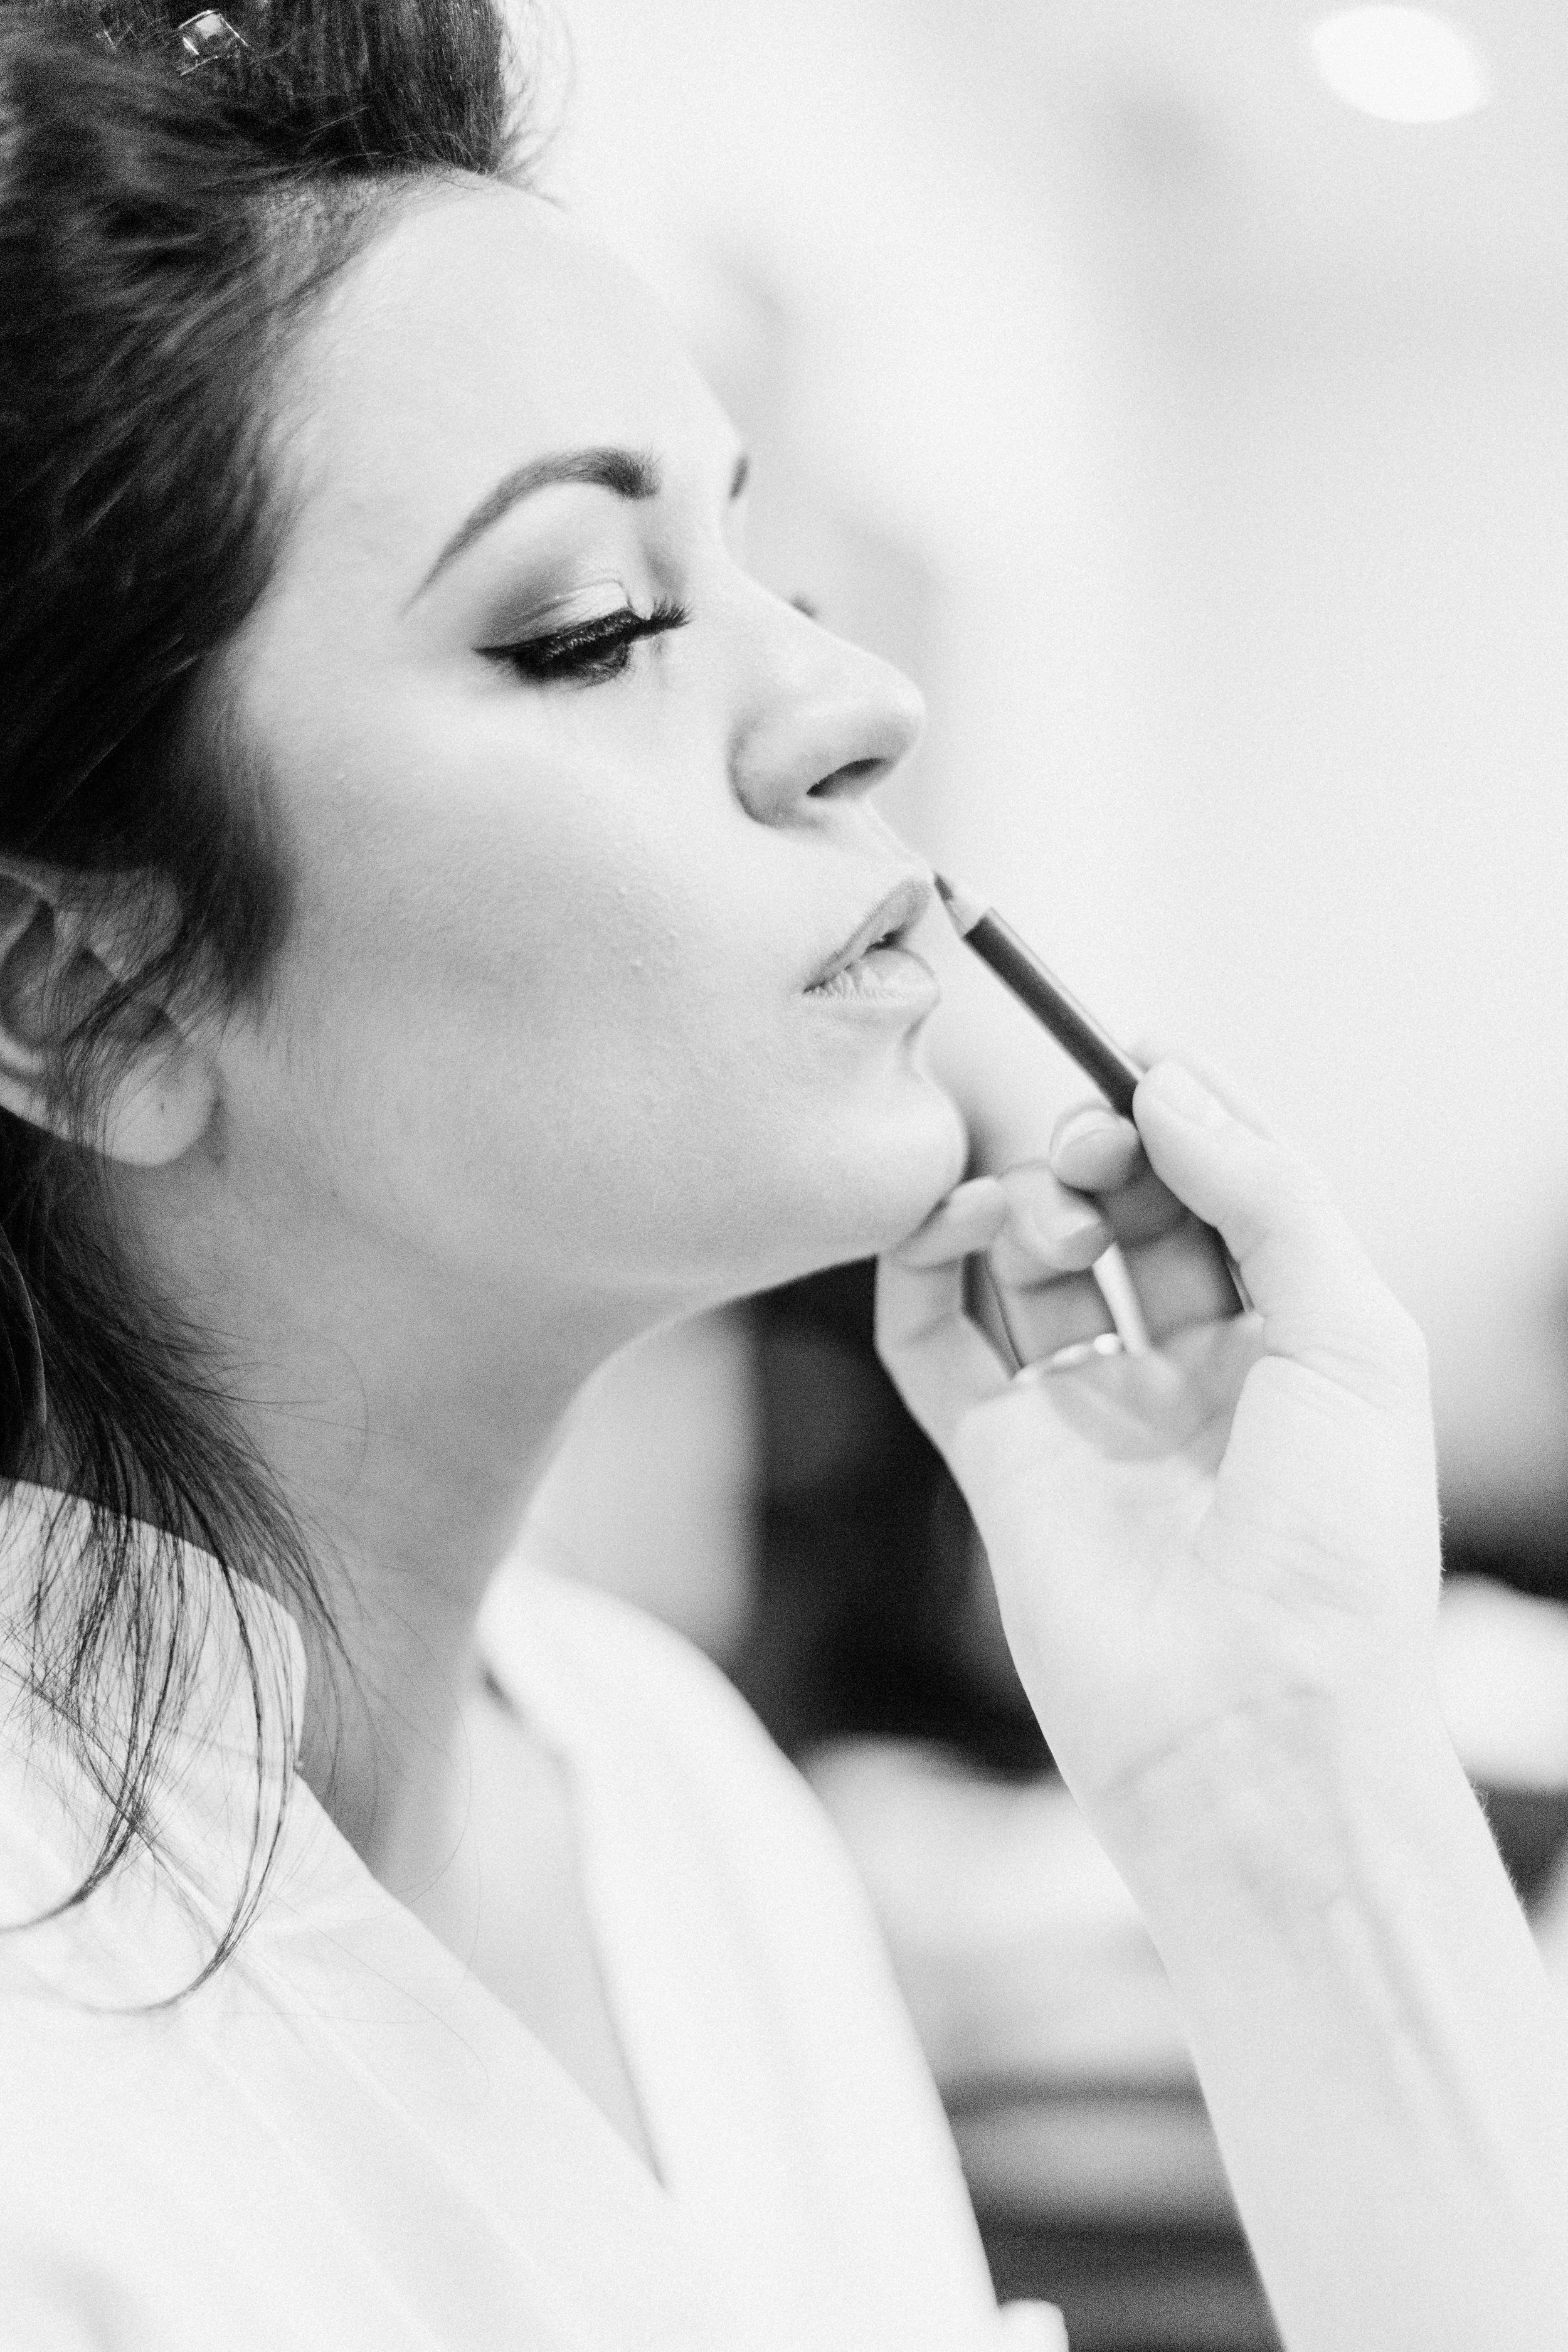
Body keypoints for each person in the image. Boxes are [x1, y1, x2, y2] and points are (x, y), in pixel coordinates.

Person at [1, 7, 1565, 2349]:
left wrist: (1285, 1790)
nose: (855, 704)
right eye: (587, 625)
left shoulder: (671, 1793)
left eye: (752, 554)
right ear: (85, 992)